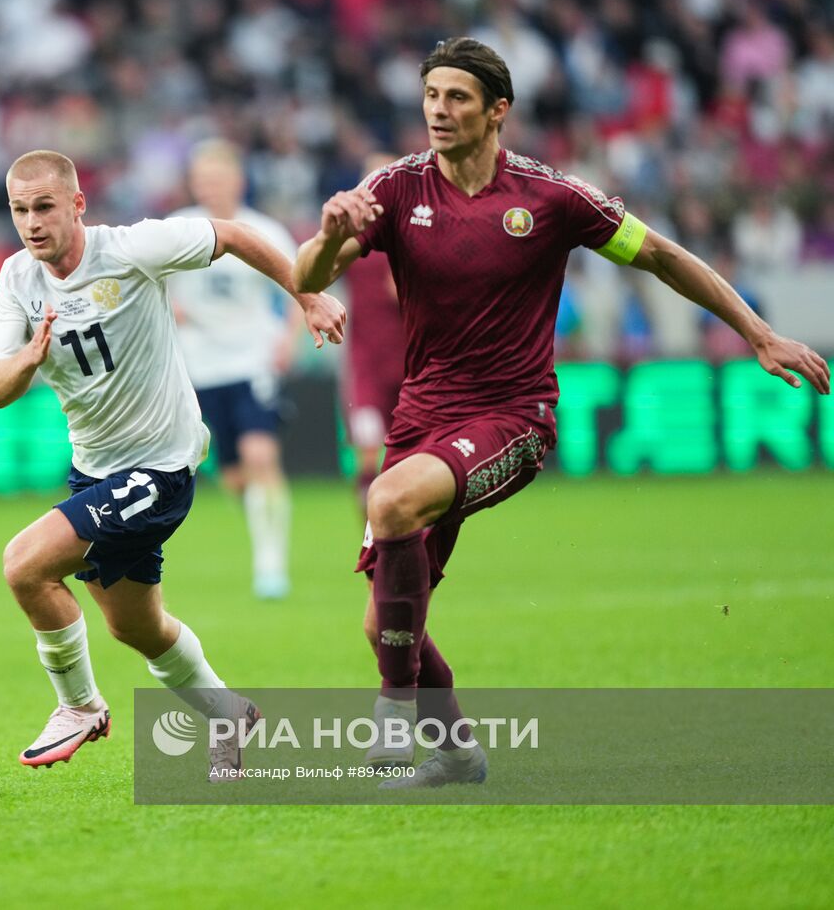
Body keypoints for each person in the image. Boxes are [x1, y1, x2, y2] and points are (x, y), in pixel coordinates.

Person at [293, 38, 830, 789]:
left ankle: (393, 703)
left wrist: (759, 334)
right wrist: (330, 233)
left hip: (515, 414)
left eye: (457, 99)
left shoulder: (551, 199)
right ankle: (455, 753)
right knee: (385, 622)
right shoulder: (395, 189)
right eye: (431, 97)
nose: (439, 112)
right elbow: (306, 275)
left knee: (389, 506)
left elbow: (664, 257)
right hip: (422, 416)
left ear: (497, 110)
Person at [0, 150, 345, 777]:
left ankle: (79, 706)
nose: (32, 223)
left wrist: (306, 293)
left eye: (44, 207)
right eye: (20, 210)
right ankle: (228, 712)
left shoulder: (131, 249)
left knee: (25, 566)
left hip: (160, 468)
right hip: (96, 471)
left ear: (77, 204)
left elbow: (229, 235)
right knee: (137, 628)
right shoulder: (17, 278)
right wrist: (29, 358)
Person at [166, 139, 301, 600]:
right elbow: (146, 283)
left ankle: (271, 563)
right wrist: (168, 311)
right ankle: (262, 531)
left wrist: (290, 339)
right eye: (202, 180)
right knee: (233, 478)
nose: (210, 188)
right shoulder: (176, 228)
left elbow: (300, 284)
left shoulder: (264, 231)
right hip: (199, 366)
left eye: (218, 179)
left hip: (252, 360)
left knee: (260, 456)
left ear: (238, 181)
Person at [340, 151, 407, 516]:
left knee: (409, 458)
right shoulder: (352, 239)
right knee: (367, 449)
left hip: (414, 367)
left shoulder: (417, 234)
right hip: (366, 365)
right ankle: (372, 535)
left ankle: (406, 532)